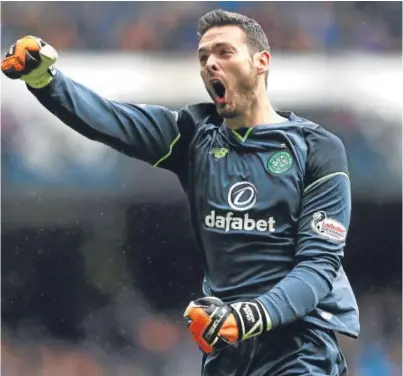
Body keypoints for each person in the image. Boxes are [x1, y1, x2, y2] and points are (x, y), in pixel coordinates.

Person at [1, 9, 359, 376]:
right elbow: (109, 119)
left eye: (224, 52)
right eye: (203, 57)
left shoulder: (316, 148)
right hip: (226, 347)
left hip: (299, 346)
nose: (210, 64)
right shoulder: (193, 136)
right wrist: (46, 80)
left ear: (261, 61)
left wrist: (249, 315)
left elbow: (318, 267)